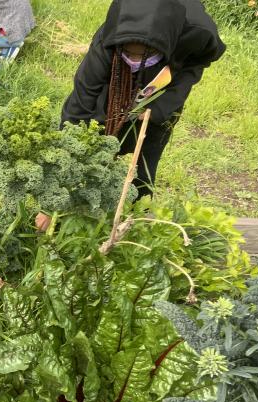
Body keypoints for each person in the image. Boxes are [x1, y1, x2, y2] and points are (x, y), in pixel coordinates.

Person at [36, 0, 225, 231]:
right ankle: (85, 204)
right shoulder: (109, 41)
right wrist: (51, 199)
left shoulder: (198, 33)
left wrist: (165, 103)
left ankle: (136, 220)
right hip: (118, 78)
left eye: (143, 55)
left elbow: (198, 62)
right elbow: (79, 106)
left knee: (146, 156)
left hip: (163, 81)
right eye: (128, 53)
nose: (134, 60)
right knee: (98, 132)